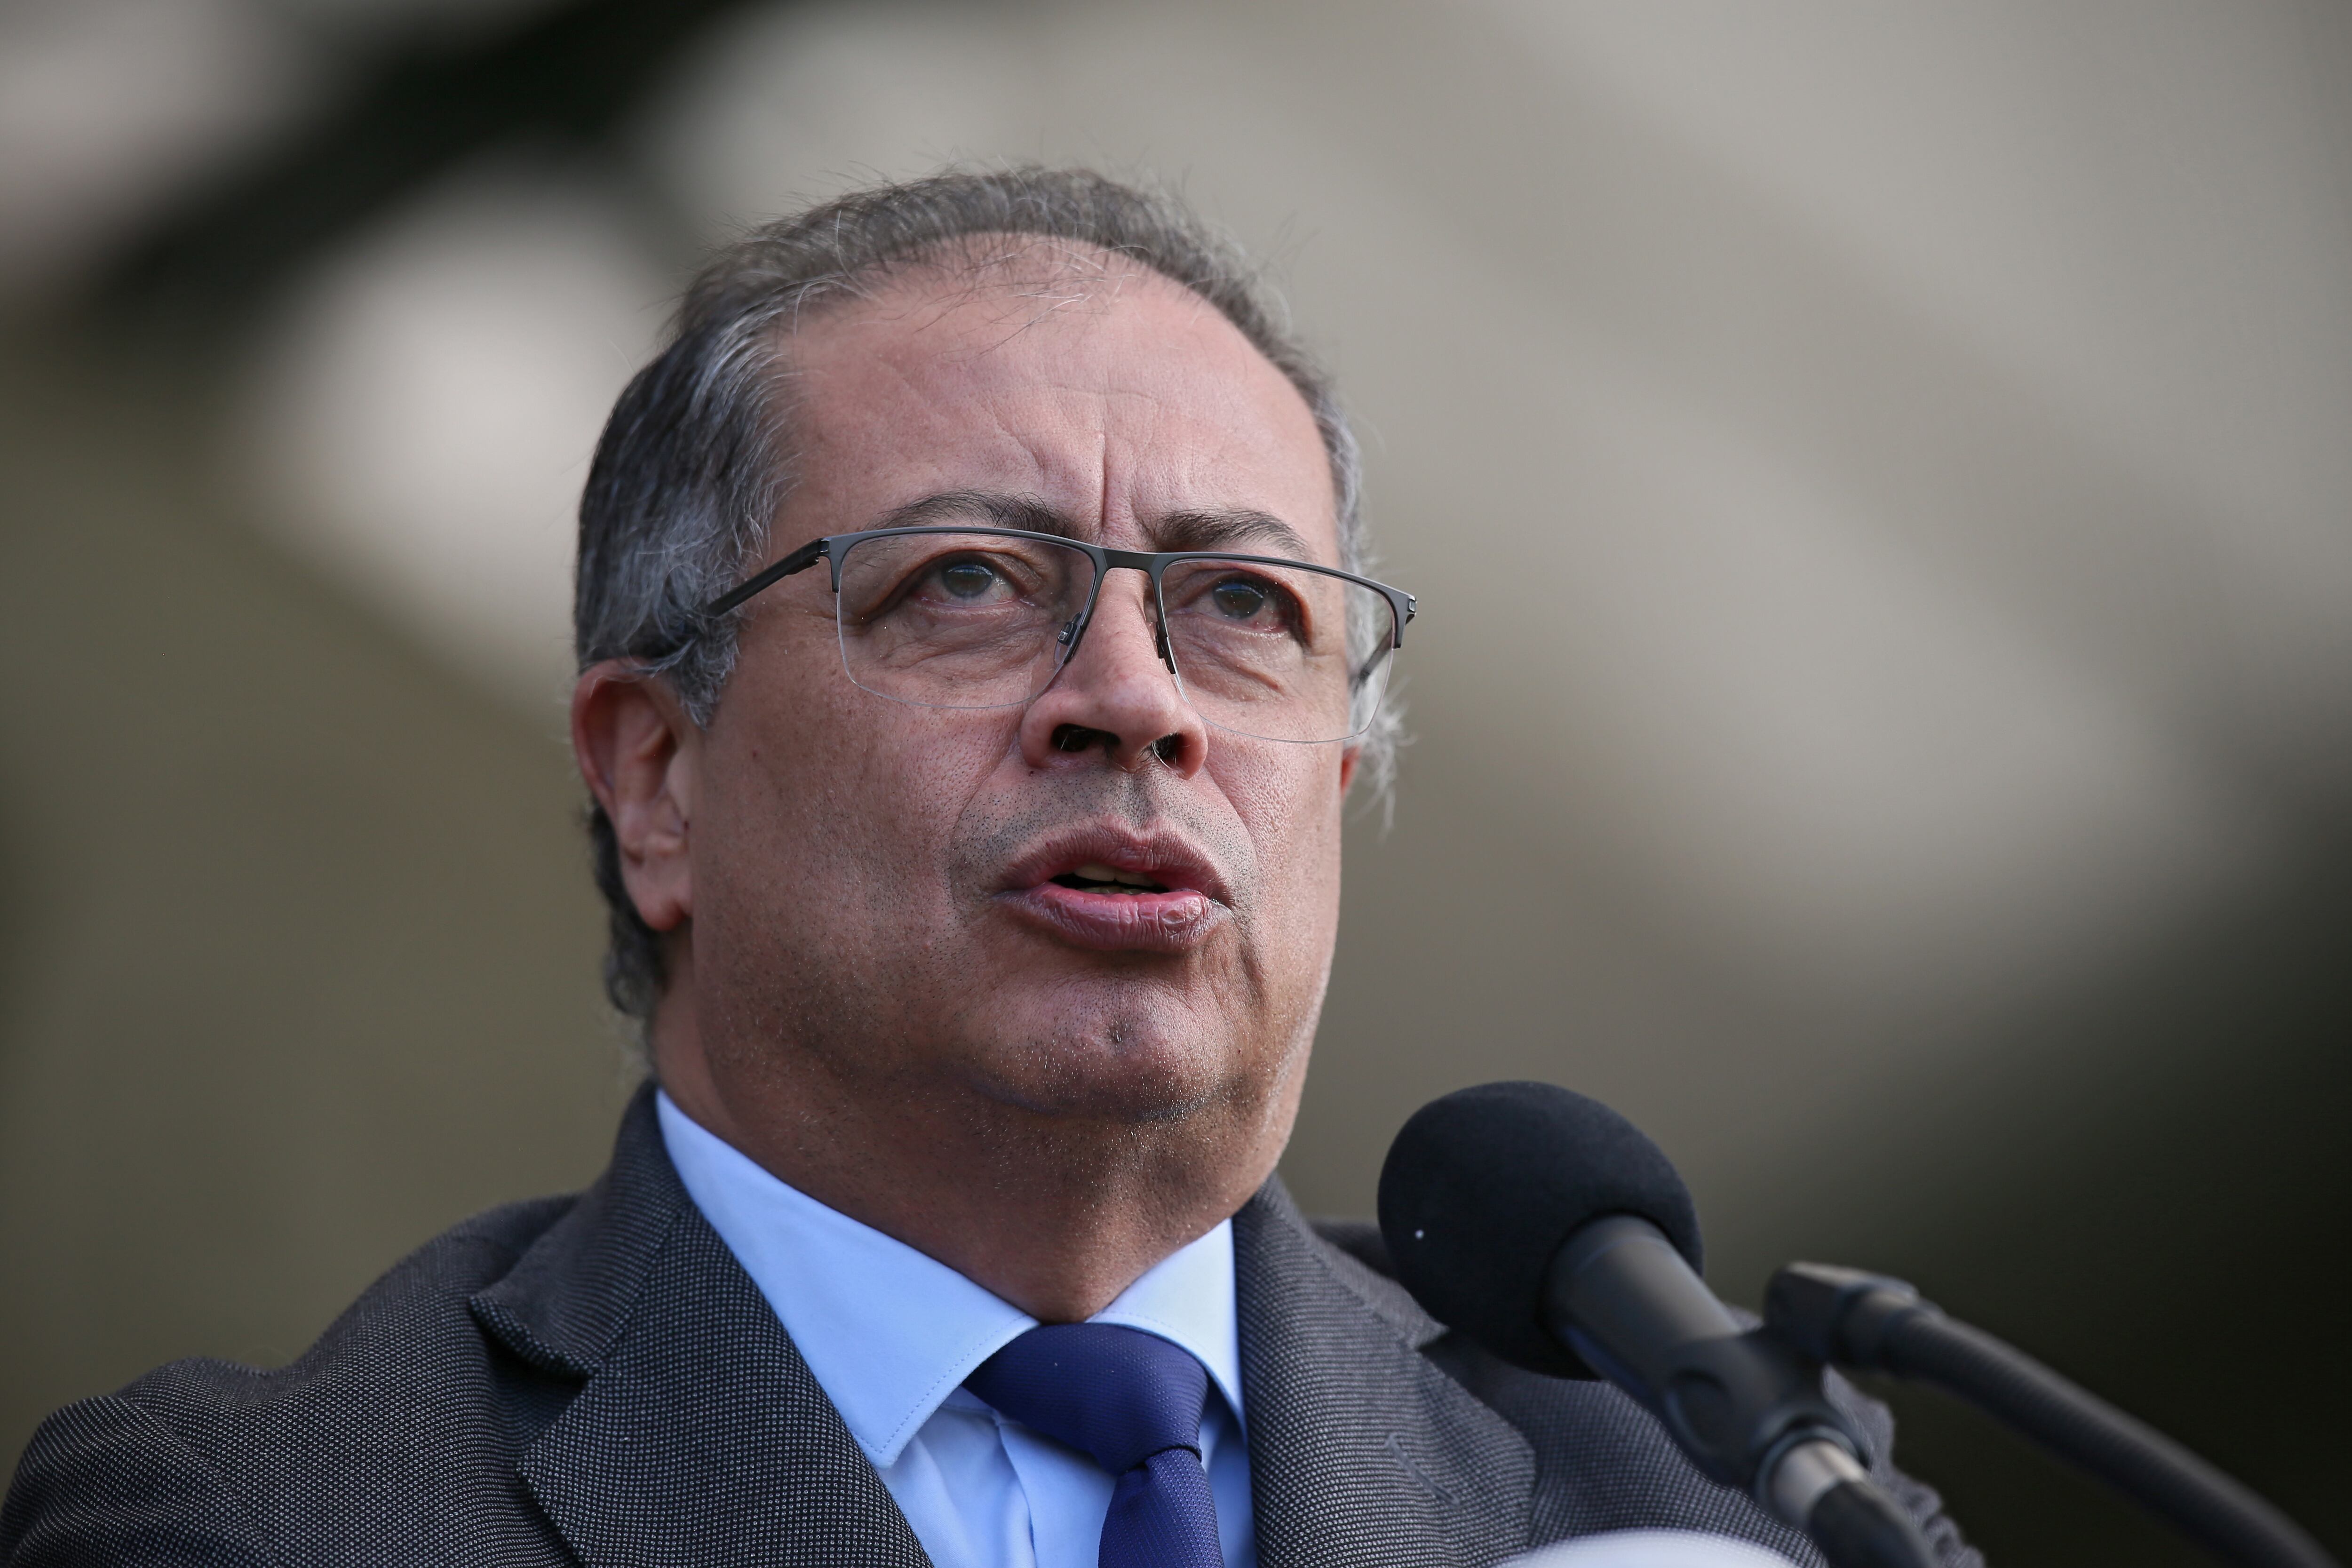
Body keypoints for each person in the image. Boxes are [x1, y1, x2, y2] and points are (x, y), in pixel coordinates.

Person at [0, 168, 1976, 1568]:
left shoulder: (1706, 1484)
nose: (1134, 700)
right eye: (967, 583)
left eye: (1241, 608)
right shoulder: (269, 1525)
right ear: (657, 777)